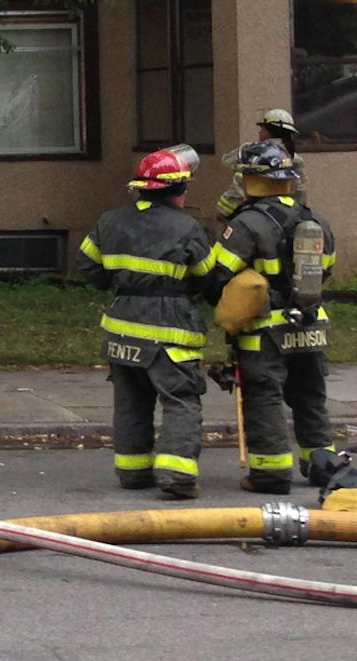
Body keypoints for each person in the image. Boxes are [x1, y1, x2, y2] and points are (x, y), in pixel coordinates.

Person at [201, 140, 340, 494]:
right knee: (310, 396)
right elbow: (326, 269)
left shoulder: (247, 224)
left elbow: (217, 275)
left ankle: (270, 473)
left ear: (252, 179)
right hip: (311, 325)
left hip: (263, 331)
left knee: (264, 396)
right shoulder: (315, 219)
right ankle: (323, 466)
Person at [76, 148, 214, 498]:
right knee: (180, 399)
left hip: (121, 328)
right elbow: (207, 277)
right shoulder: (187, 227)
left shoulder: (109, 221)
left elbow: (87, 265)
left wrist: (118, 284)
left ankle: (133, 471)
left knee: (131, 402)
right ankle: (177, 476)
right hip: (169, 330)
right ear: (177, 190)